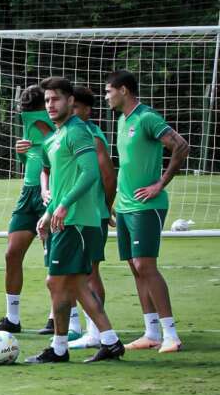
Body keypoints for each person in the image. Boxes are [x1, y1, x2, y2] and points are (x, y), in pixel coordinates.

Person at [26, 76, 123, 364]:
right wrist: (47, 212)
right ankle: (110, 341)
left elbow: (90, 173)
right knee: (77, 284)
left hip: (78, 221)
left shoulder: (78, 131)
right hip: (62, 219)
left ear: (70, 101)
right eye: (47, 100)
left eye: (56, 99)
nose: (51, 104)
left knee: (55, 282)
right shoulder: (54, 138)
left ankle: (58, 347)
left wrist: (65, 206)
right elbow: (60, 183)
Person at [105, 70, 190, 354]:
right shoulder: (122, 120)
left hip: (147, 206)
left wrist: (159, 184)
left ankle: (171, 335)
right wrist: (116, 201)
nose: (107, 96)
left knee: (145, 266)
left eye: (109, 91)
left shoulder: (147, 118)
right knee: (134, 267)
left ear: (124, 90)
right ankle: (151, 332)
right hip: (127, 205)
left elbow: (180, 146)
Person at [0, 85, 55, 335]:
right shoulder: (29, 125)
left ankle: (57, 316)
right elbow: (31, 160)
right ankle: (12, 318)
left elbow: (56, 157)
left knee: (54, 260)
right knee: (12, 253)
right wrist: (21, 154)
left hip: (51, 193)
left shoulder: (57, 125)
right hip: (27, 193)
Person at [67, 86, 116, 350]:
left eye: (75, 107)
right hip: (80, 213)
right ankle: (86, 329)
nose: (71, 111)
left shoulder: (91, 136)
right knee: (79, 272)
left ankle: (96, 332)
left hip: (92, 214)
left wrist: (105, 208)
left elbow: (109, 177)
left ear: (87, 109)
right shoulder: (75, 133)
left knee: (90, 271)